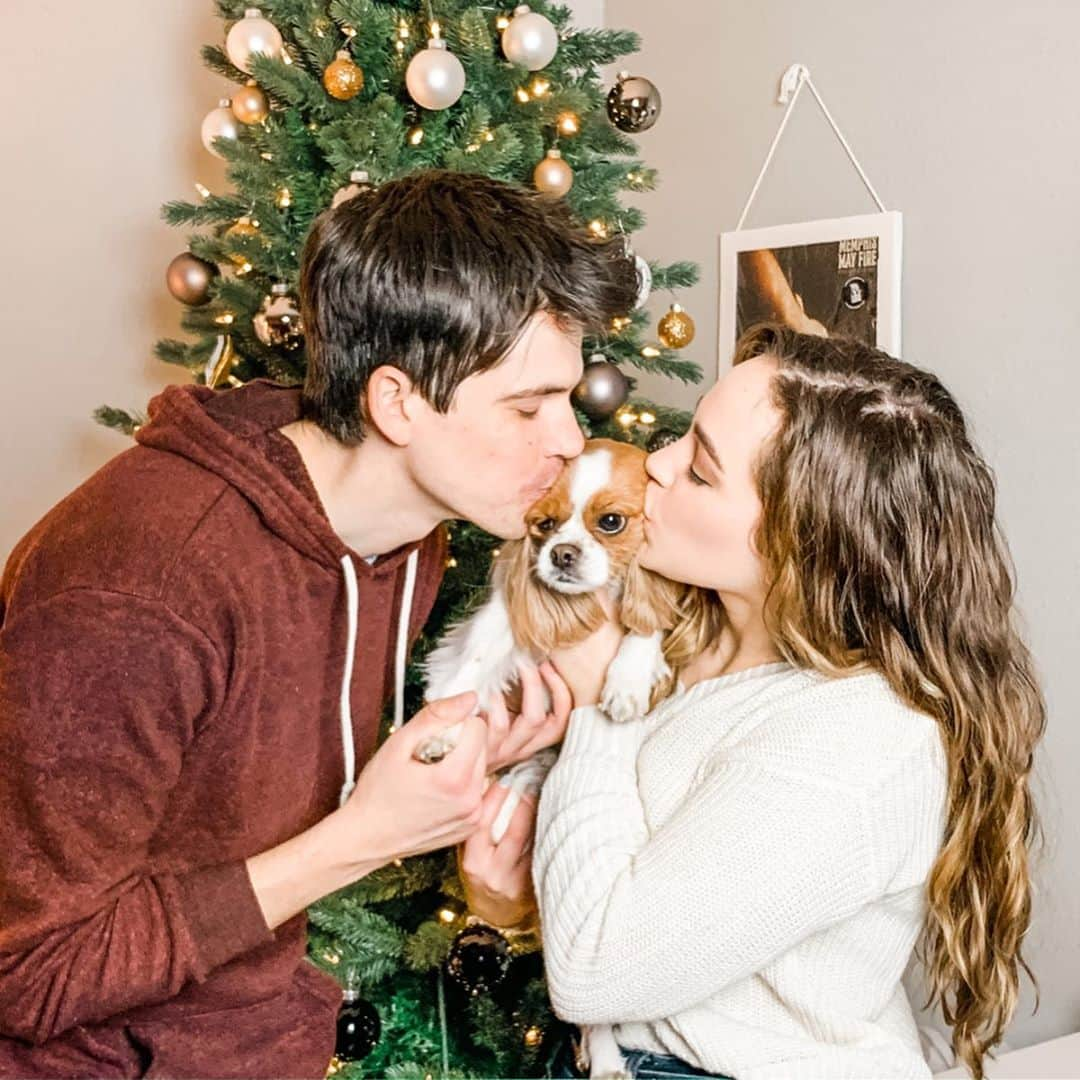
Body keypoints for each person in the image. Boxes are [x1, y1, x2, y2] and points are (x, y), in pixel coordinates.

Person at [0, 170, 637, 1078]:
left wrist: (456, 767)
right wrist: (367, 837)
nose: (571, 440)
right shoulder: (142, 587)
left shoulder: (405, 532)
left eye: (567, 399)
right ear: (397, 403)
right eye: (528, 406)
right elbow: (23, 974)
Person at [536, 323, 1045, 1079]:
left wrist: (591, 708)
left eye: (702, 471)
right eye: (683, 435)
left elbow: (593, 969)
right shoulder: (685, 622)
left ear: (800, 540)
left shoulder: (859, 740)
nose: (660, 464)